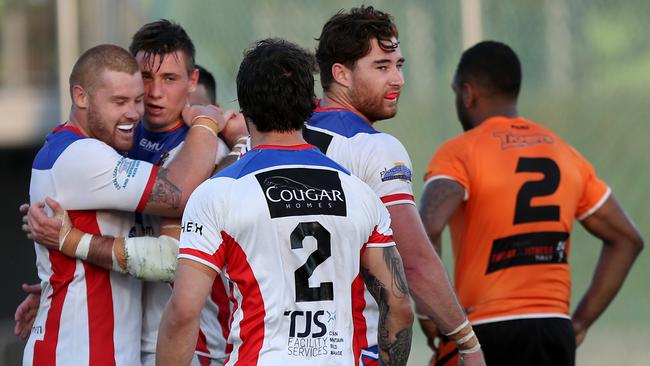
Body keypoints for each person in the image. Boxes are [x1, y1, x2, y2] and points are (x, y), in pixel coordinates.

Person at [157, 38, 414, 366]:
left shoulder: (216, 194)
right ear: (311, 104)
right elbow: (399, 304)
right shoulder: (359, 192)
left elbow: (182, 314)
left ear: (244, 108)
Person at [19, 20, 246, 366]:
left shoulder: (207, 151)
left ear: (192, 81)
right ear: (82, 95)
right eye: (143, 81)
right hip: (95, 350)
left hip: (196, 349)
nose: (151, 97)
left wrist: (70, 247)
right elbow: (177, 195)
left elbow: (171, 258)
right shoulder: (102, 150)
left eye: (168, 79)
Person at [419, 40, 644, 366]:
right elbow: (627, 239)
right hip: (554, 330)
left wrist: (429, 310)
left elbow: (428, 226)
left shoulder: (460, 152)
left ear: (467, 94)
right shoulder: (566, 154)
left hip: (482, 331)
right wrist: (579, 323)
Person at [303, 6, 484, 364]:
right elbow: (413, 261)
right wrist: (467, 341)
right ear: (340, 73)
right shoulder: (375, 148)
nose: (398, 80)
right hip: (350, 348)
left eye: (399, 65)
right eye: (382, 67)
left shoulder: (271, 136)